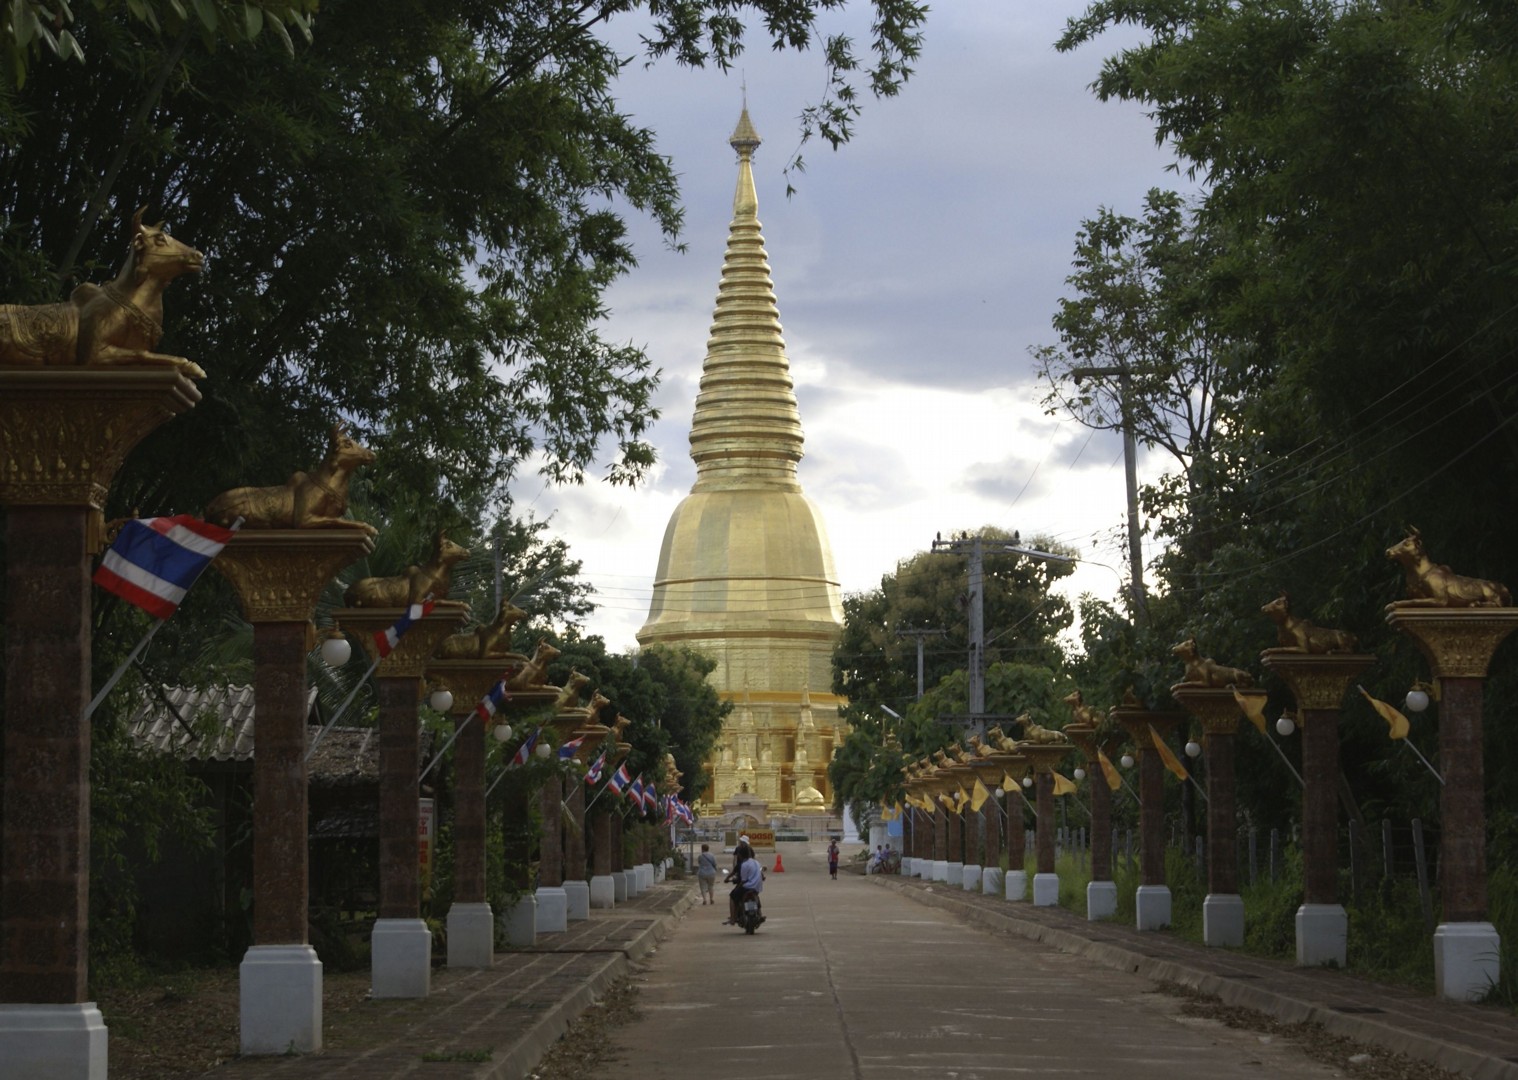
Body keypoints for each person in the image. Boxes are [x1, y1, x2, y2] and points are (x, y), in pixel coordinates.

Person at [726, 842, 765, 926]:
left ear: (740, 855)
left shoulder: (744, 864)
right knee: (756, 897)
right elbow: (761, 874)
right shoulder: (756, 863)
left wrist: (738, 887)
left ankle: (733, 918)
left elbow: (743, 880)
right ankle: (760, 914)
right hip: (757, 887)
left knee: (732, 896)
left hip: (747, 887)